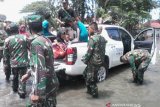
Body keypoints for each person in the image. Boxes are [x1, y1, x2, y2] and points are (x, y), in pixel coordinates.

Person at [21, 16, 59, 107]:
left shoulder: (36, 43)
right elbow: (45, 62)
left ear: (29, 28)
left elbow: (39, 68)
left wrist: (38, 93)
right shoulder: (46, 40)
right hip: (52, 81)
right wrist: (28, 73)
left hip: (44, 85)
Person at [81, 22, 107, 98]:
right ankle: (89, 90)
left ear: (92, 29)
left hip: (93, 62)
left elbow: (89, 52)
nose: (88, 31)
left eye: (88, 29)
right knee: (85, 74)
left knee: (91, 79)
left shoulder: (93, 39)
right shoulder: (102, 38)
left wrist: (84, 60)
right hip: (100, 61)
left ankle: (95, 95)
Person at [3, 23, 29, 98]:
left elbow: (6, 54)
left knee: (15, 76)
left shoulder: (7, 40)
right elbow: (30, 48)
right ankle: (22, 93)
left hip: (14, 63)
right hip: (24, 63)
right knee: (23, 78)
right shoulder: (24, 37)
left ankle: (14, 89)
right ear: (17, 29)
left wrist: (6, 65)